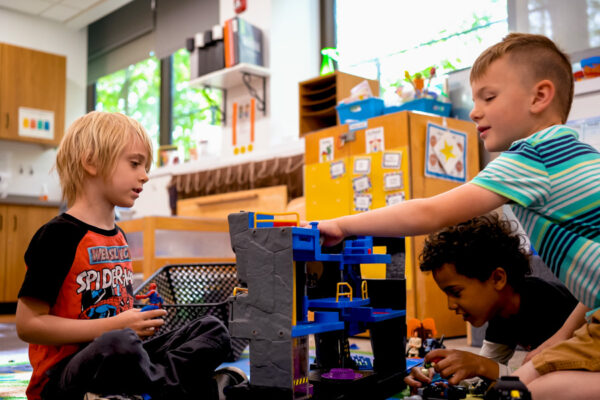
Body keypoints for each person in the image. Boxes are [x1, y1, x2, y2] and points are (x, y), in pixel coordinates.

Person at [315, 32, 600, 399]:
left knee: (533, 389)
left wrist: (343, 225)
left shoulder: (534, 154)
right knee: (522, 380)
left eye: (489, 97)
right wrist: (562, 338)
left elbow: (431, 211)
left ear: (539, 97)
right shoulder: (575, 153)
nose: (474, 110)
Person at [15, 112, 240, 400]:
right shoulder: (58, 236)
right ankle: (192, 388)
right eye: (135, 163)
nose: (145, 176)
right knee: (121, 344)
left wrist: (136, 309)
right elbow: (28, 325)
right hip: (64, 374)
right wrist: (118, 325)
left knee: (214, 330)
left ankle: (142, 392)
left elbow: (110, 306)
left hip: (124, 356)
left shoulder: (119, 236)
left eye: (144, 166)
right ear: (91, 162)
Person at [403, 215, 578, 390]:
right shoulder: (502, 311)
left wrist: (480, 364)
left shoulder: (549, 306)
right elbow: (488, 370)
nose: (451, 305)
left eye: (456, 292)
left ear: (498, 278)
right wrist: (438, 373)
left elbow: (548, 383)